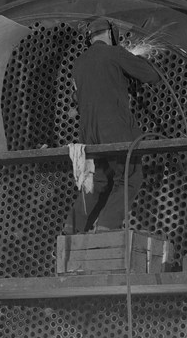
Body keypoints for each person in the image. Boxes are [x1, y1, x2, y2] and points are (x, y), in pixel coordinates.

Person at [64, 17, 159, 234]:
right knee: (129, 178)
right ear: (110, 34)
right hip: (114, 129)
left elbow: (78, 98)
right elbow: (151, 75)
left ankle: (70, 230)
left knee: (97, 182)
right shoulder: (116, 53)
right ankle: (106, 229)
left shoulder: (79, 64)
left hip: (89, 135)